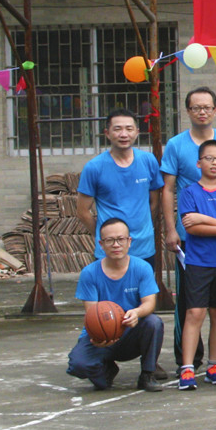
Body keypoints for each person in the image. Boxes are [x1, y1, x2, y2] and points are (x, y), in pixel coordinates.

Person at [159, 86, 216, 375]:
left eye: (207, 107)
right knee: (190, 305)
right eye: (196, 107)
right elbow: (168, 189)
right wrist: (171, 229)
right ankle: (188, 360)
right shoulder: (176, 145)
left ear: (215, 110)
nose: (202, 112)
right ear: (188, 111)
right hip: (190, 238)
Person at [76, 108, 166, 379]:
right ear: (107, 133)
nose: (123, 134)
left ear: (137, 132)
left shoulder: (148, 161)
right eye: (117, 128)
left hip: (144, 247)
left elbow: (154, 201)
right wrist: (106, 238)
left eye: (129, 128)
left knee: (145, 308)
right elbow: (83, 210)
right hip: (108, 252)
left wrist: (137, 232)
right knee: (105, 309)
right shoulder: (94, 167)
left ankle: (149, 363)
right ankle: (104, 351)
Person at [66, 218, 164, 392]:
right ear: (101, 244)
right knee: (78, 365)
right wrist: (98, 336)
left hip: (130, 332)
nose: (116, 245)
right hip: (102, 334)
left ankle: (147, 374)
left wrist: (136, 313)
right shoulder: (89, 273)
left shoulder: (142, 268)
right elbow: (92, 313)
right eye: (110, 240)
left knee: (153, 322)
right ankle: (107, 368)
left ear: (129, 241)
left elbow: (149, 303)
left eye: (120, 239)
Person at [175, 139, 216, 390]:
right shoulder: (189, 192)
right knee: (194, 313)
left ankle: (214, 365)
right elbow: (191, 228)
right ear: (198, 163)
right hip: (197, 262)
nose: (214, 163)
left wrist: (204, 219)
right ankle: (187, 368)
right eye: (209, 158)